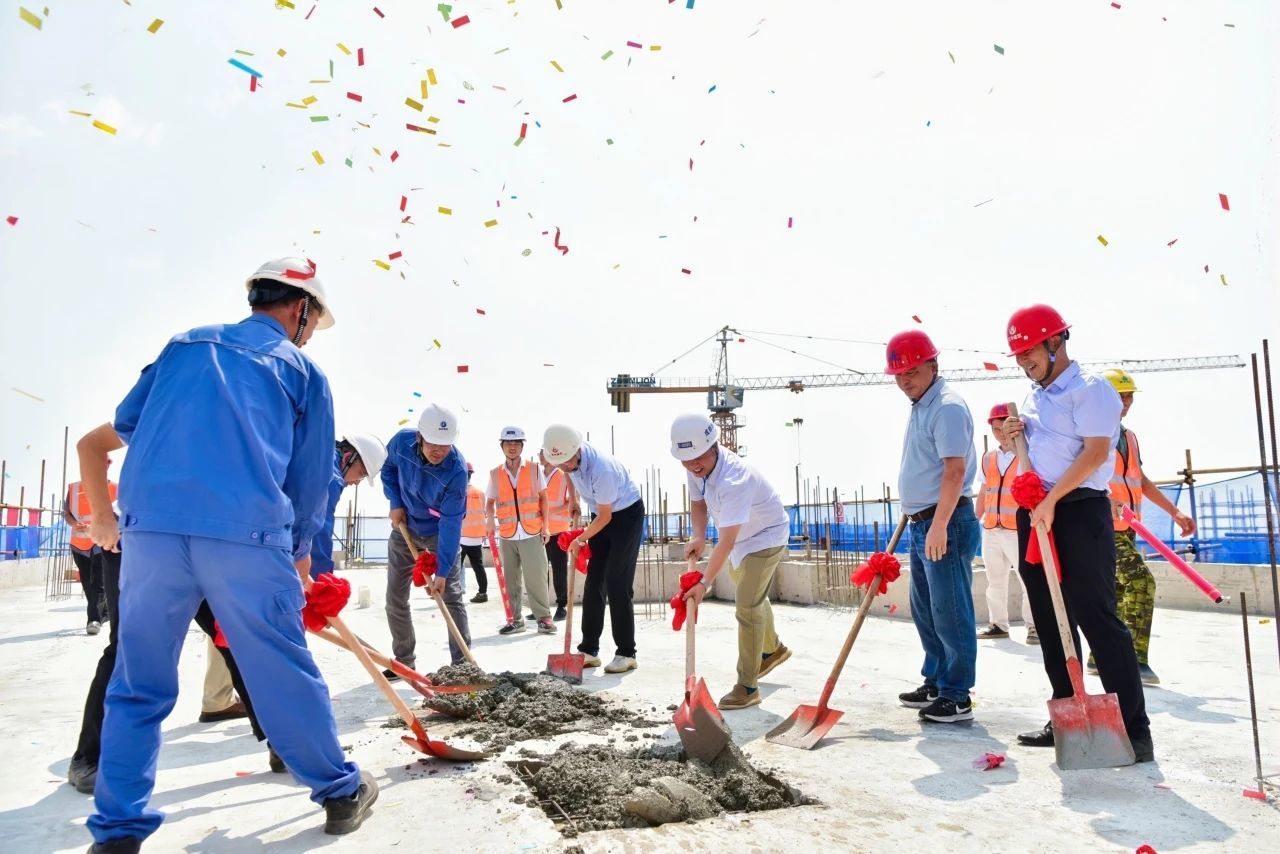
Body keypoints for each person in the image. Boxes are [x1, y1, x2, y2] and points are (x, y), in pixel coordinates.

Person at [78, 257, 376, 852]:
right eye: (313, 322)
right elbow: (311, 476)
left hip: (152, 536)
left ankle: (116, 829)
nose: (311, 333)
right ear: (300, 310)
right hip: (245, 536)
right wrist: (298, 555)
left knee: (137, 681)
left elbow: (126, 425)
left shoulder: (182, 345)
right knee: (280, 670)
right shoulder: (302, 371)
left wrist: (112, 517)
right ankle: (340, 792)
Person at [1003, 304, 1153, 762]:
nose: (1022, 360)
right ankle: (1067, 713)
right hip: (1037, 513)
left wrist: (1051, 501)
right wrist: (1012, 436)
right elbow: (1039, 447)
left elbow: (1092, 456)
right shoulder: (1034, 395)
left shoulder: (1093, 390)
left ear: (1055, 342)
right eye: (1016, 354)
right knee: (1050, 618)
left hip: (1078, 511)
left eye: (1028, 350)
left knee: (1096, 616)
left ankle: (1133, 729)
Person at [886, 329, 981, 724]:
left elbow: (954, 471)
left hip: (947, 521)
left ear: (933, 366)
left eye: (912, 370)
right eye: (898, 374)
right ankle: (938, 680)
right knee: (926, 609)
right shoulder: (921, 404)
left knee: (951, 609)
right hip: (923, 522)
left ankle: (957, 695)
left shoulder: (946, 407)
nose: (905, 379)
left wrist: (939, 524)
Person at [674, 414, 793, 710]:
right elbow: (698, 503)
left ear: (714, 445)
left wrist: (704, 583)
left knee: (747, 606)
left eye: (698, 457)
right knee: (751, 595)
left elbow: (725, 542)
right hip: (741, 537)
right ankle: (772, 649)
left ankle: (748, 686)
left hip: (765, 536)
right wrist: (698, 535)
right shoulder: (695, 465)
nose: (693, 465)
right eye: (686, 460)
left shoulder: (734, 478)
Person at [1097, 368, 1197, 685]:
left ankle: (1099, 656)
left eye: (1129, 396)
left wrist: (1174, 512)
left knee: (1118, 590)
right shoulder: (1092, 434)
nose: (1125, 402)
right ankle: (1135, 660)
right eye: (1119, 396)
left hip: (1127, 527)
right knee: (1142, 583)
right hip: (1101, 527)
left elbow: (1140, 481)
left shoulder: (1128, 437)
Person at [542, 424, 644, 674]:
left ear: (577, 450)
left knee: (617, 583)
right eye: (560, 463)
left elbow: (607, 517)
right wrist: (574, 499)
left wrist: (580, 539)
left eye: (567, 461)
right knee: (594, 582)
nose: (565, 466)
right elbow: (568, 472)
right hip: (602, 513)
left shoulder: (602, 468)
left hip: (625, 516)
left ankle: (626, 652)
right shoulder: (567, 459)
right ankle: (589, 649)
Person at [381, 403, 472, 673]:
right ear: (419, 437)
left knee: (451, 596)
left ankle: (463, 665)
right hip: (405, 527)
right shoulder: (400, 443)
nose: (438, 451)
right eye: (433, 443)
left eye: (444, 446)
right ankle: (404, 661)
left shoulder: (456, 471)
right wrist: (395, 502)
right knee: (395, 596)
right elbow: (388, 469)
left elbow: (451, 522)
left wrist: (443, 570)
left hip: (437, 533)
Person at [976, 404, 1037, 644]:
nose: (1000, 433)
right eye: (995, 428)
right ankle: (998, 624)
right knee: (995, 581)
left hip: (1016, 529)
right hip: (991, 528)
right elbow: (984, 489)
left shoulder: (1025, 454)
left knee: (1027, 580)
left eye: (1003, 427)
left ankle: (1034, 627)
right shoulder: (989, 457)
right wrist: (976, 517)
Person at [486, 426, 555, 636]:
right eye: (508, 443)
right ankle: (515, 620)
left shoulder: (534, 469)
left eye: (516, 443)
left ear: (522, 445)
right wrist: (490, 520)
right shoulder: (496, 474)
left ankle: (544, 618)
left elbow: (544, 498)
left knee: (536, 577)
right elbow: (489, 502)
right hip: (507, 534)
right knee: (510, 580)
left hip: (532, 532)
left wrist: (546, 526)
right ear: (502, 446)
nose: (512, 447)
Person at [309, 432, 388, 579]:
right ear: (347, 458)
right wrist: (323, 578)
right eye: (361, 474)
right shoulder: (332, 479)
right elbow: (320, 530)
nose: (358, 482)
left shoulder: (320, 451)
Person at [65, 477, 116, 634]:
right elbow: (67, 513)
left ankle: (93, 619)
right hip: (79, 543)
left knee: (99, 581)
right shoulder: (73, 489)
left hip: (101, 542)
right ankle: (104, 612)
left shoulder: (115, 488)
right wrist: (74, 523)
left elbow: (118, 514)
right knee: (87, 581)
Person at [542, 449, 578, 621]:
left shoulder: (564, 476)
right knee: (541, 571)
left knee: (559, 570)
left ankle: (561, 605)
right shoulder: (538, 476)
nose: (540, 455)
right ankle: (542, 608)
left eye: (543, 452)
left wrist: (549, 510)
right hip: (541, 530)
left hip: (559, 531)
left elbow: (572, 502)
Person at [461, 462, 489, 603]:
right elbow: (483, 512)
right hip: (477, 536)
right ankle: (483, 593)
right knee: (478, 566)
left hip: (461, 536)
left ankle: (453, 592)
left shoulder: (458, 492)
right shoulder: (480, 492)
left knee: (455, 567)